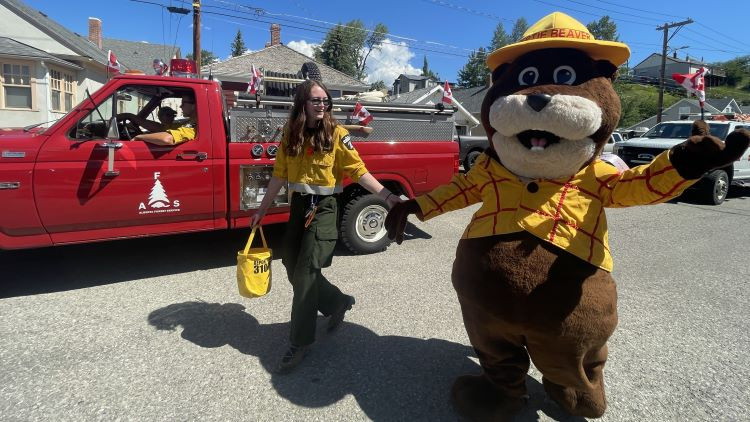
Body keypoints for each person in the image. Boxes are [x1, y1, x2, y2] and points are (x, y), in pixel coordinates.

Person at [251, 79, 401, 373]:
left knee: (306, 272)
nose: (322, 105)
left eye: (325, 101)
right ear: (302, 103)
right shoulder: (290, 133)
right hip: (298, 209)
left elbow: (358, 170)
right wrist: (262, 209)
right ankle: (337, 302)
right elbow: (280, 174)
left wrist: (388, 196)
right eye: (316, 100)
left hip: (324, 209)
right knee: (291, 265)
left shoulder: (337, 133)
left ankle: (300, 341)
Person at [133, 95, 197, 146]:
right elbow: (161, 128)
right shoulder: (188, 122)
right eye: (168, 115)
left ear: (193, 105)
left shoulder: (195, 125)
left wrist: (139, 137)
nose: (180, 106)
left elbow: (167, 139)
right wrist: (131, 117)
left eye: (183, 103)